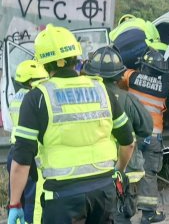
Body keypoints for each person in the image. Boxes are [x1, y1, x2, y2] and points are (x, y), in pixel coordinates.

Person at [8, 24, 135, 224]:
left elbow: (22, 160)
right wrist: (118, 171)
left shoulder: (37, 98)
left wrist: (15, 203)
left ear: (43, 62)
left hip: (62, 198)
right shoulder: (102, 90)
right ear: (76, 56)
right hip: (103, 191)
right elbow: (128, 142)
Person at [82, 46, 154, 224]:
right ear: (120, 74)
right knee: (120, 213)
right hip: (124, 169)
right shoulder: (127, 99)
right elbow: (146, 128)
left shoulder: (82, 98)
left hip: (92, 169)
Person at [118, 47, 169, 224]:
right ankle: (148, 215)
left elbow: (118, 74)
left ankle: (124, 212)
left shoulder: (132, 77)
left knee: (129, 173)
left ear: (144, 66)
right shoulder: (165, 87)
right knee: (149, 174)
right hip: (154, 137)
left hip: (133, 135)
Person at [6, 60, 48, 224]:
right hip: (30, 155)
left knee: (16, 199)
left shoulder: (15, 97)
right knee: (32, 199)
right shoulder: (35, 99)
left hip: (14, 152)